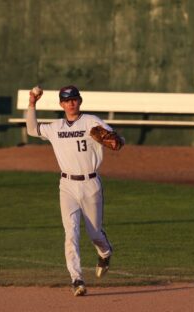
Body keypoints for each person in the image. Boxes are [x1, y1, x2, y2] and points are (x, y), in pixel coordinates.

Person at [26, 85, 125, 296]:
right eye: (66, 100)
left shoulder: (91, 121)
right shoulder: (56, 127)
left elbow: (118, 140)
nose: (71, 103)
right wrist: (32, 104)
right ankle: (76, 279)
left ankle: (105, 252)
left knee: (94, 233)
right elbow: (32, 130)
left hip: (90, 184)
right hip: (67, 186)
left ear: (80, 101)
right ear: (61, 104)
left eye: (74, 99)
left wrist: (114, 140)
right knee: (71, 232)